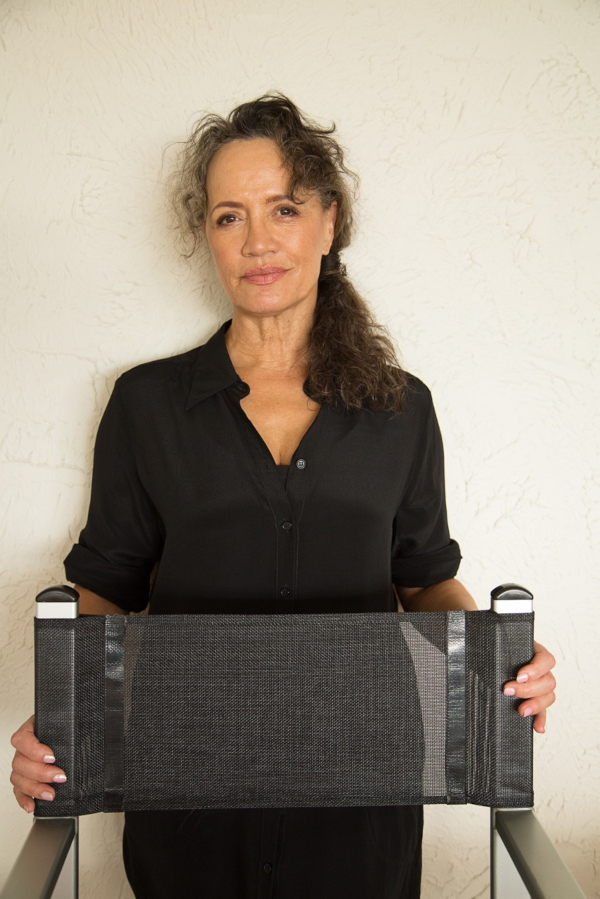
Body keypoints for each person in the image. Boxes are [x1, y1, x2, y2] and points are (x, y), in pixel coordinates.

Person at [10, 93, 556, 899]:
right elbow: (106, 587)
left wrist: (504, 664)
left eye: (285, 208)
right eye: (230, 216)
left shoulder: (402, 408)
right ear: (207, 234)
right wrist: (58, 715)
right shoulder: (146, 405)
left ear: (329, 223)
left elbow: (425, 580)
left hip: (364, 802)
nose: (258, 241)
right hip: (187, 800)